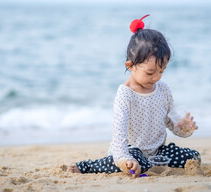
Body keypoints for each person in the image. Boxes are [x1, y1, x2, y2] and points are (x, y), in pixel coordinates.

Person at [68, 15, 200, 178]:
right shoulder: (125, 93)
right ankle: (87, 166)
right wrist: (125, 158)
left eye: (162, 71)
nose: (157, 77)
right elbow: (119, 134)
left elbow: (171, 123)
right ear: (130, 66)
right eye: (150, 72)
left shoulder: (163, 90)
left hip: (158, 150)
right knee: (136, 163)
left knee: (193, 157)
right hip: (131, 150)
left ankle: (147, 164)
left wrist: (183, 127)